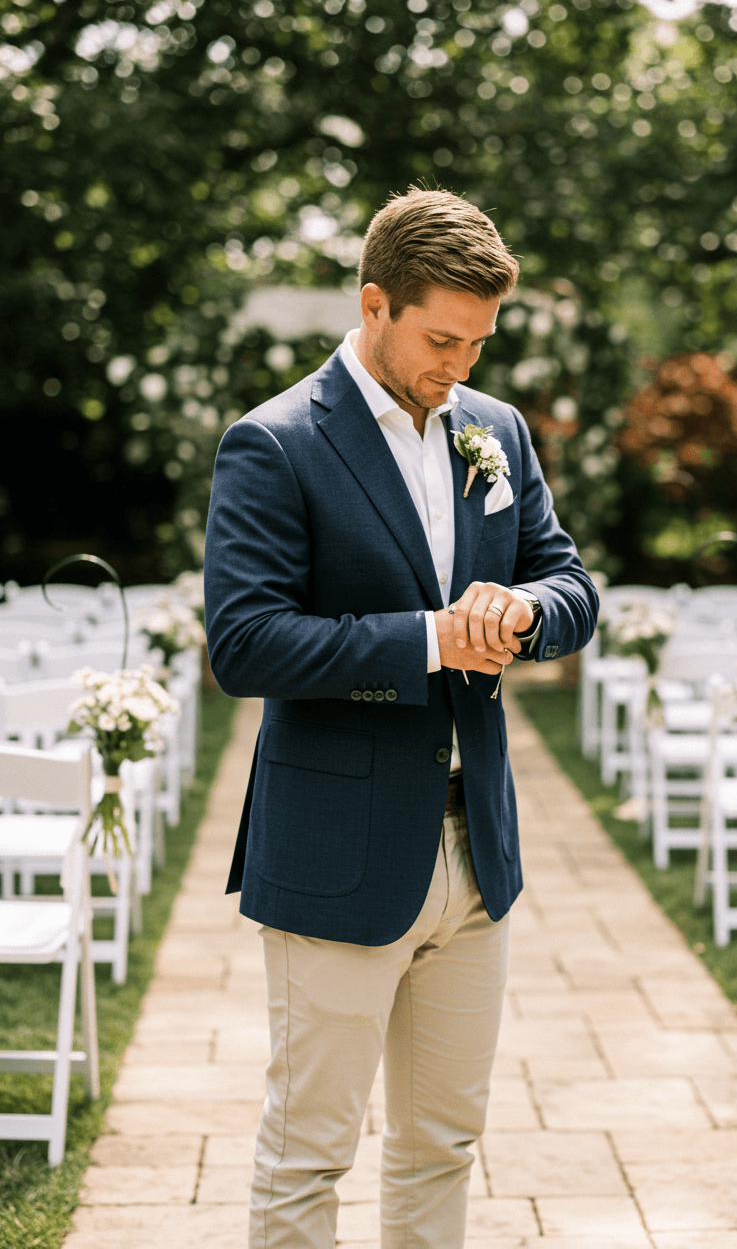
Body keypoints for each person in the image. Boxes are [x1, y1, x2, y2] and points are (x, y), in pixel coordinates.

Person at [204, 186, 600, 1249]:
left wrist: (520, 607)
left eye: (477, 343)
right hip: (336, 847)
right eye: (440, 338)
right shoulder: (274, 442)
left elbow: (570, 583)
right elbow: (244, 644)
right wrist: (430, 635)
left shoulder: (496, 431)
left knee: (443, 1142)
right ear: (373, 303)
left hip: (480, 850)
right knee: (308, 1153)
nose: (459, 365)